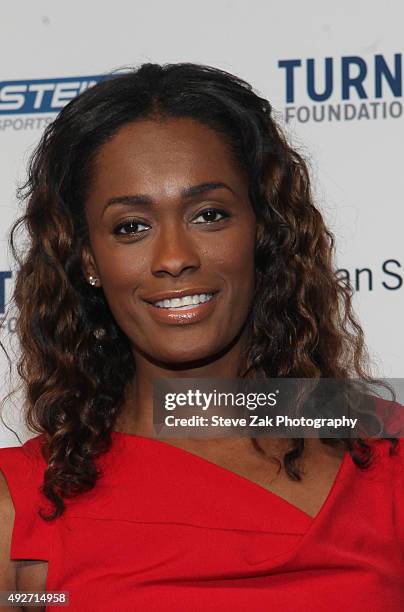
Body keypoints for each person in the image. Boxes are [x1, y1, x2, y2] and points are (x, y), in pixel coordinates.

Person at [0, 62, 402, 611]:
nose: (173, 258)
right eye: (131, 227)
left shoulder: (385, 464)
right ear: (89, 258)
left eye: (209, 215)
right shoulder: (20, 509)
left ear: (263, 231)